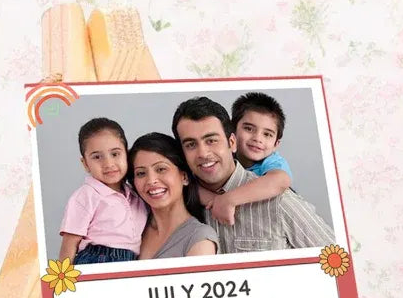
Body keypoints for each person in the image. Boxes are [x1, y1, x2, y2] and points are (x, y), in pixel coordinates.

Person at [172, 97, 334, 252]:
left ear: (232, 142)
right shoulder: (176, 202)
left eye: (212, 140)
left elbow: (338, 261)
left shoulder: (279, 200)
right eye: (191, 144)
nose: (203, 153)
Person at [58, 117, 148, 265]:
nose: (108, 163)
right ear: (85, 163)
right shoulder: (86, 196)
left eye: (115, 154)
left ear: (127, 154)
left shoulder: (136, 195)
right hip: (98, 259)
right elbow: (69, 244)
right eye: (97, 157)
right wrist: (63, 283)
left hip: (131, 261)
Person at [202, 92, 293, 225]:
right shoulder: (225, 157)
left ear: (275, 144)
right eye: (249, 129)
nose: (257, 138)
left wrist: (229, 199)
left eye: (267, 134)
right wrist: (216, 200)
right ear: (232, 130)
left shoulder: (272, 161)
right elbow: (192, 186)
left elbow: (280, 181)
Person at [127, 132, 218, 260]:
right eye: (141, 173)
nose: (151, 180)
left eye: (161, 169)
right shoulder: (130, 229)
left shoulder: (199, 238)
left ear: (184, 177)